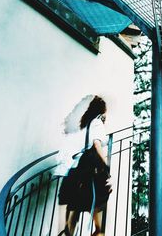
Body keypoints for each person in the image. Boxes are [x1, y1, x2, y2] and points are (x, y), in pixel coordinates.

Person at [58, 96, 112, 236]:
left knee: (74, 210)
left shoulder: (85, 124)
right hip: (90, 173)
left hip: (77, 171)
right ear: (102, 111)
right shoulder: (97, 123)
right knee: (99, 225)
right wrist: (106, 165)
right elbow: (96, 144)